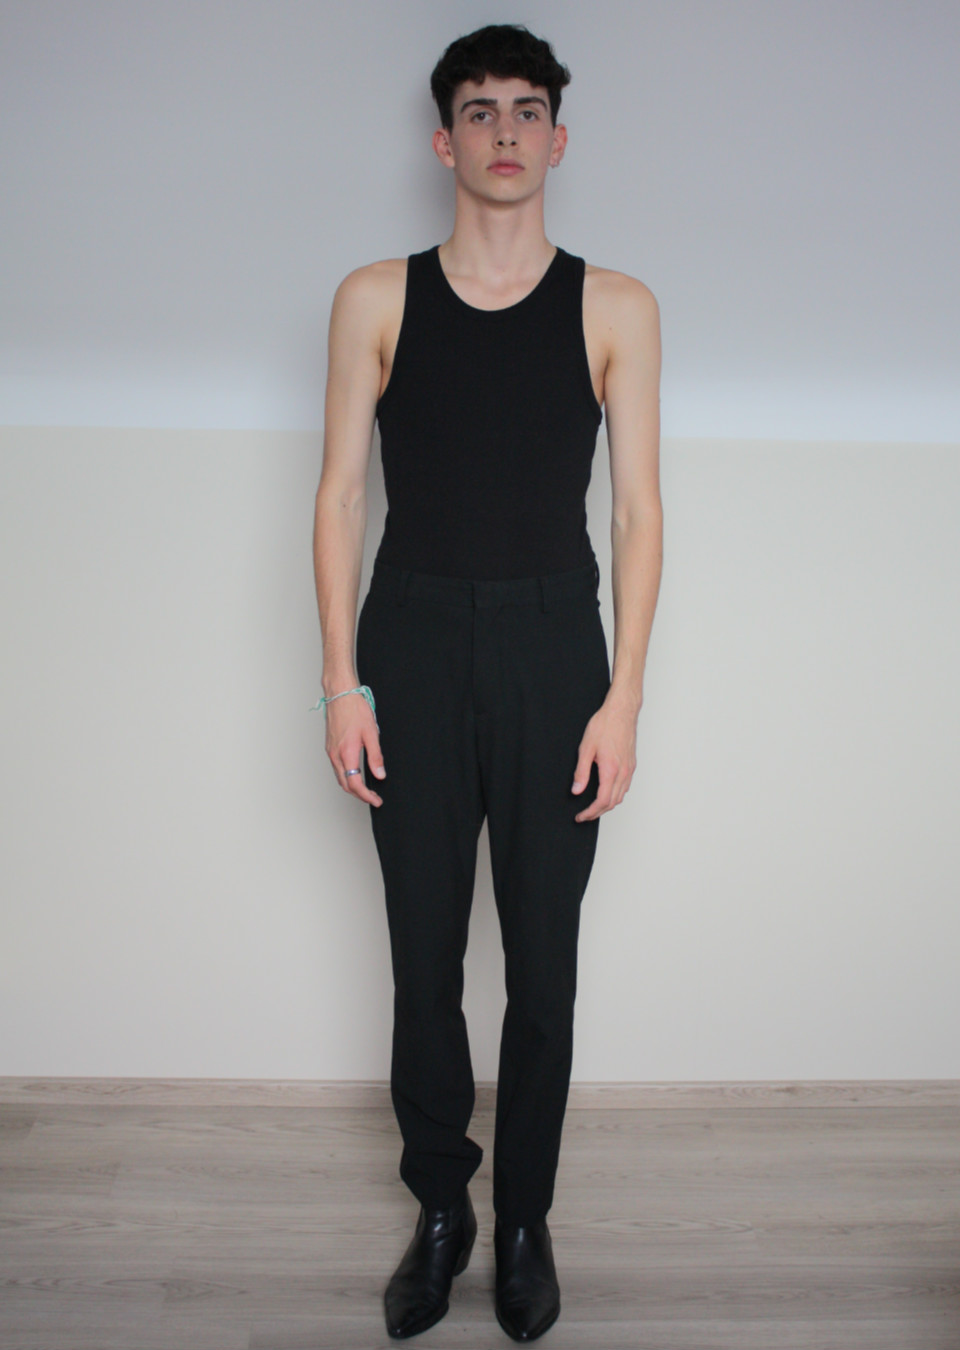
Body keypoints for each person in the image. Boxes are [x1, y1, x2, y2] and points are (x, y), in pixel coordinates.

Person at [312, 22, 662, 1342]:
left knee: (544, 962)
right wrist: (341, 681)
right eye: (479, 109)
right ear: (442, 139)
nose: (503, 131)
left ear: (557, 141)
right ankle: (441, 1209)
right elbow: (340, 495)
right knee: (421, 957)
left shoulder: (616, 305)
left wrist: (623, 697)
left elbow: (638, 513)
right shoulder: (376, 297)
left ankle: (524, 1220)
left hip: (554, 647)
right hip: (410, 640)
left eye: (525, 110)